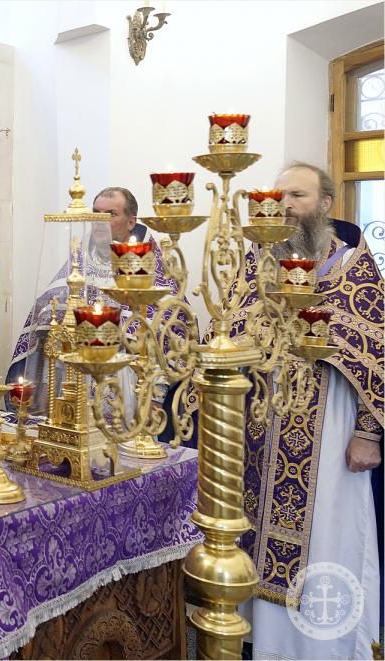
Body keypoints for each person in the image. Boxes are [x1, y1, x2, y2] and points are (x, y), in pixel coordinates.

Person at [238, 162, 382, 660]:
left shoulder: (354, 269)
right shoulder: (259, 261)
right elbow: (230, 329)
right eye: (278, 196)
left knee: (328, 533)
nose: (284, 206)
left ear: (324, 204)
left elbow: (377, 354)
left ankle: (326, 647)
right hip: (260, 421)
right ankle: (261, 643)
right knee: (253, 529)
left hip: (331, 422)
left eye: (297, 196)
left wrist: (369, 433)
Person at [7, 186, 178, 414]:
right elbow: (47, 313)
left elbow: (170, 330)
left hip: (126, 383)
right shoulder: (80, 260)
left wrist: (156, 396)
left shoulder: (148, 265)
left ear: (131, 222)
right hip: (74, 381)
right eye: (96, 213)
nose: (99, 221)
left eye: (110, 214)